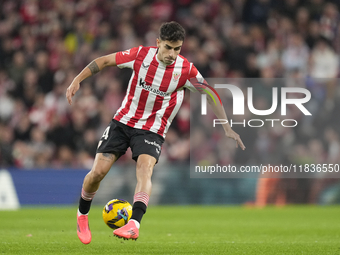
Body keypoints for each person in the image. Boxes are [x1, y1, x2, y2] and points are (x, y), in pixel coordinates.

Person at [66, 21, 245, 244]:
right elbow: (103, 61)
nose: (172, 54)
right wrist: (77, 80)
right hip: (122, 122)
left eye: (177, 48)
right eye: (168, 47)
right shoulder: (140, 55)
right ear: (158, 42)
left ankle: (134, 224)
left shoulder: (186, 70)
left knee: (145, 169)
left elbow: (210, 93)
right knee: (98, 173)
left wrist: (226, 126)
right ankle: (82, 215)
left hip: (152, 130)